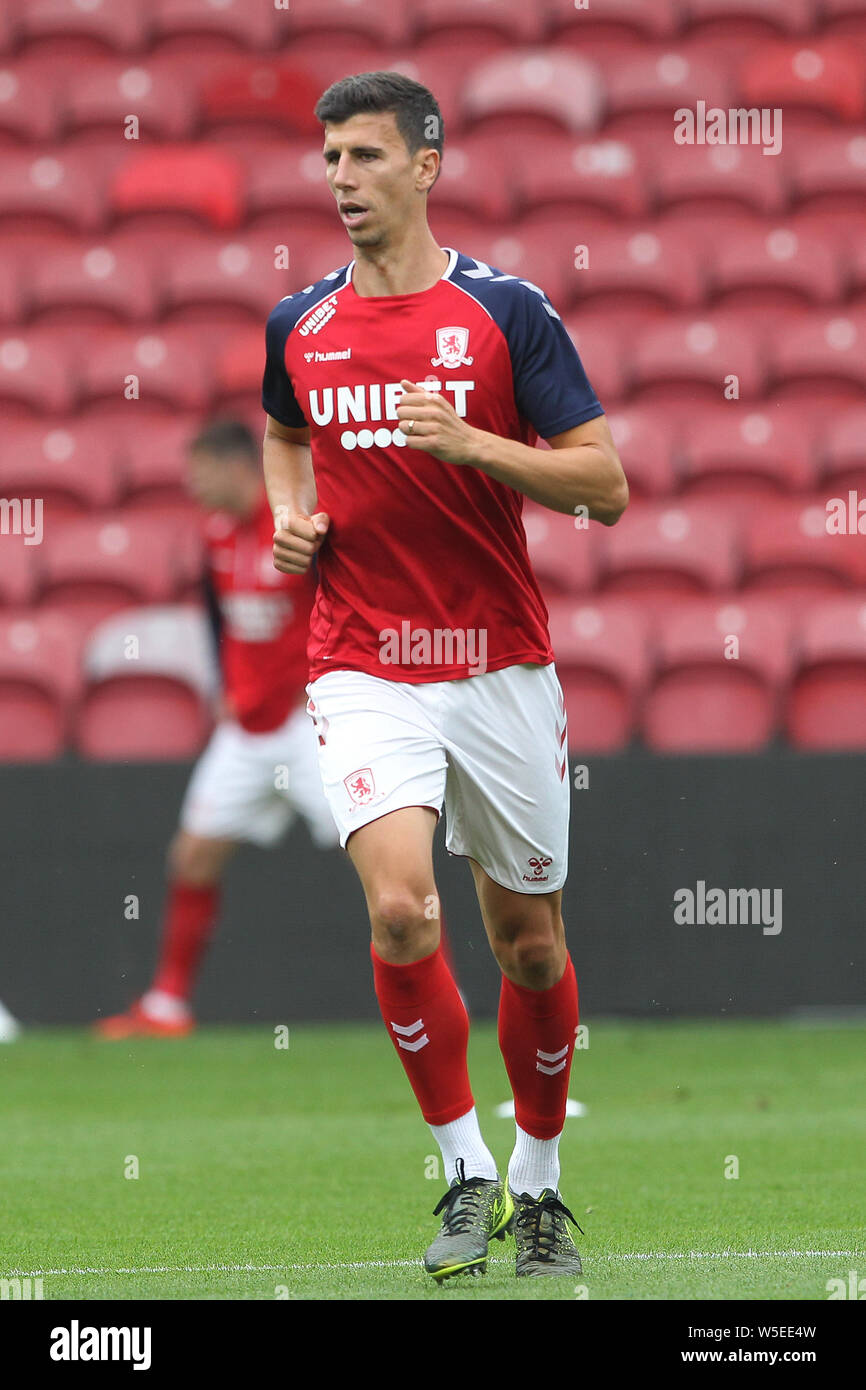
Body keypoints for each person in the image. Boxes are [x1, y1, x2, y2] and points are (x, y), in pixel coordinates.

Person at [262, 72, 628, 1280]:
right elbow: (283, 430)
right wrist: (291, 520)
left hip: (496, 662)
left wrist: (470, 441)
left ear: (425, 164)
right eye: (329, 159)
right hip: (362, 659)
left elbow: (605, 485)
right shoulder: (300, 326)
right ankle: (463, 1170)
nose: (341, 180)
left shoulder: (504, 314)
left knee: (529, 943)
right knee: (401, 907)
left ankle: (538, 1182)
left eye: (365, 157)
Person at [95, 419, 338, 1039]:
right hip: (246, 731)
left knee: (390, 872)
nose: (191, 483)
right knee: (194, 855)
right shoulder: (216, 535)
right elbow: (216, 613)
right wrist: (226, 686)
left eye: (200, 469)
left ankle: (449, 998)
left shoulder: (296, 526)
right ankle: (168, 1006)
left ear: (237, 467)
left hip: (311, 725)